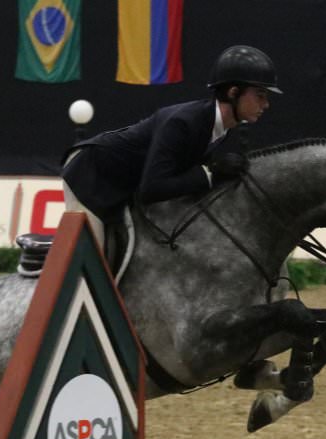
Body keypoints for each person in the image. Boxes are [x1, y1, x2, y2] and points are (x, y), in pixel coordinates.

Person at [60, 45, 282, 272]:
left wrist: (213, 175)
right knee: (89, 269)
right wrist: (210, 174)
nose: (266, 105)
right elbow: (152, 188)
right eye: (260, 96)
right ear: (233, 92)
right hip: (90, 174)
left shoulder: (219, 128)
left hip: (124, 182)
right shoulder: (183, 123)